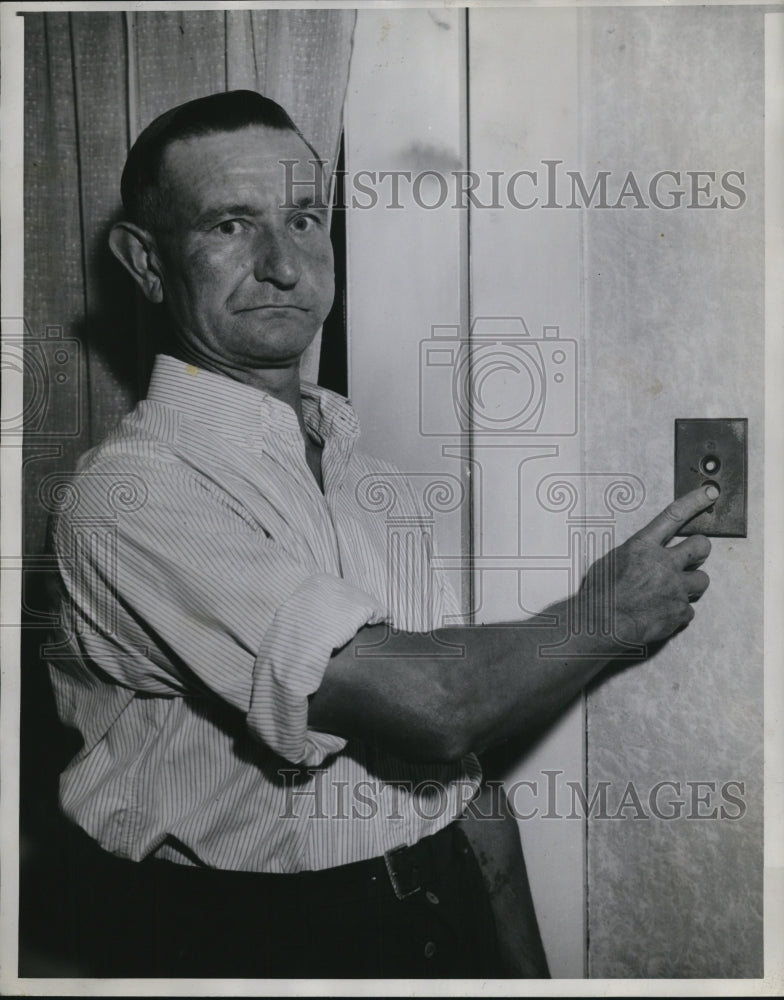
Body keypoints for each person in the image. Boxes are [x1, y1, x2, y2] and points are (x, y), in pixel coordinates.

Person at [48, 90, 715, 979]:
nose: (283, 264)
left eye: (304, 218)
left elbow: (455, 782)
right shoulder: (131, 496)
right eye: (230, 225)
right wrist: (603, 617)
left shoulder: (355, 459)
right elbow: (436, 706)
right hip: (251, 942)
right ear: (147, 261)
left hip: (439, 905)